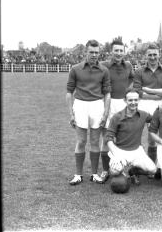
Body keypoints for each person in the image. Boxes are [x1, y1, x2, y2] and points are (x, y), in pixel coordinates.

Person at [66, 39, 111, 185]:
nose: (94, 55)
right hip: (80, 105)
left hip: (97, 105)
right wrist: (71, 114)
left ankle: (94, 174)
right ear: (86, 52)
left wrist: (105, 113)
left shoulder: (104, 70)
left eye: (96, 52)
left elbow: (107, 94)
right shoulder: (75, 69)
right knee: (81, 141)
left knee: (95, 141)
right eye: (91, 52)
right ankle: (78, 174)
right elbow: (69, 93)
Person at [99, 39, 134, 183]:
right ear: (111, 51)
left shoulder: (128, 65)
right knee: (107, 139)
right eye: (116, 50)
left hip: (123, 105)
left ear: (124, 52)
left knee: (123, 138)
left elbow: (132, 79)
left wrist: (128, 90)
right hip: (108, 103)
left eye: (121, 51)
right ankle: (106, 170)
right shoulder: (104, 66)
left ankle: (122, 169)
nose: (119, 53)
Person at [105, 89, 157, 187]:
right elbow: (108, 138)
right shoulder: (117, 117)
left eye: (135, 100)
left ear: (139, 100)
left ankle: (132, 171)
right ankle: (120, 172)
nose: (133, 103)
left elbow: (157, 119)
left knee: (152, 170)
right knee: (114, 172)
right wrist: (115, 155)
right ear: (125, 100)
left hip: (137, 150)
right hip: (120, 150)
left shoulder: (143, 115)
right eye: (130, 100)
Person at [133, 44, 162, 173]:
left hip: (159, 106)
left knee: (153, 138)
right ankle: (136, 166)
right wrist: (157, 93)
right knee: (136, 135)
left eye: (155, 54)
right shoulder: (139, 71)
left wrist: (147, 89)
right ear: (146, 55)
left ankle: (152, 167)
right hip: (141, 105)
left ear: (159, 54)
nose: (153, 57)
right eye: (150, 54)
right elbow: (137, 91)